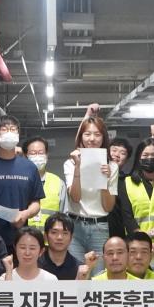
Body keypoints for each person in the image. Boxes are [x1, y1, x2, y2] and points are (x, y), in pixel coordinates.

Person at [0, 115, 43, 247]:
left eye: (13, 129)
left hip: (20, 238)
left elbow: (36, 202)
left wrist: (25, 214)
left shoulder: (29, 167)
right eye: (4, 129)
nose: (9, 133)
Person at [61, 110, 117, 272]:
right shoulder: (70, 164)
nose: (92, 139)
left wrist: (104, 180)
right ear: (81, 137)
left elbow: (108, 207)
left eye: (97, 134)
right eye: (87, 134)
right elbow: (75, 197)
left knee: (99, 274)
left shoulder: (112, 166)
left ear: (103, 138)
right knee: (77, 273)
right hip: (75, 225)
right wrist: (78, 168)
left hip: (99, 226)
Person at [23, 136, 65, 230]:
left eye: (41, 153)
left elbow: (64, 215)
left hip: (51, 237)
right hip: (25, 236)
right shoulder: (19, 181)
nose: (37, 156)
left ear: (47, 155)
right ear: (25, 156)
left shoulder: (58, 182)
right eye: (33, 153)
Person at [38, 213, 94, 280]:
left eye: (65, 233)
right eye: (54, 232)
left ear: (71, 238)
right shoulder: (35, 265)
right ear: (45, 236)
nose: (59, 237)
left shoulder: (79, 268)